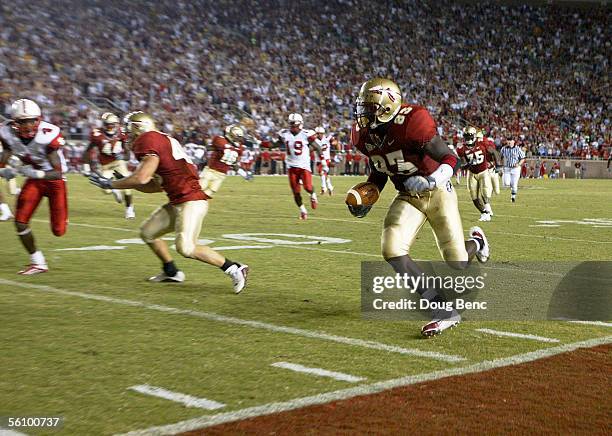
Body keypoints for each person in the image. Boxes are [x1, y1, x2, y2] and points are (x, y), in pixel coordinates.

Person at [350, 78, 490, 337]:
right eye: (363, 107)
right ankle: (442, 309)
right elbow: (381, 168)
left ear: (387, 106)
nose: (363, 113)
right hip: (407, 195)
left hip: (437, 191)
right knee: (391, 248)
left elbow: (451, 159)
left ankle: (477, 243)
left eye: (369, 107)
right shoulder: (363, 135)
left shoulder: (413, 122)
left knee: (457, 261)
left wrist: (431, 179)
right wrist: (370, 194)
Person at [88, 112, 249, 293]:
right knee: (148, 232)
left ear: (139, 128)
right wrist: (125, 180)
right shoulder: (160, 139)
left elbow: (142, 178)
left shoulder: (148, 139)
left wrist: (111, 183)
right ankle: (171, 271)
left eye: (129, 129)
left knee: (186, 247)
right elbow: (153, 185)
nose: (127, 135)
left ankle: (234, 268)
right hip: (180, 199)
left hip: (192, 200)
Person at [0, 99, 68, 274]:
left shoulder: (48, 133)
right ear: (14, 122)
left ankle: (62, 218)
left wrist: (37, 174)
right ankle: (38, 262)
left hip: (53, 181)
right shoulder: (6, 132)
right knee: (20, 222)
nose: (29, 125)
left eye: (32, 120)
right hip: (34, 180)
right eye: (23, 121)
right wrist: (3, 170)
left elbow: (58, 173)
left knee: (59, 231)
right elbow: (7, 152)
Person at [83, 112, 135, 219]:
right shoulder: (97, 134)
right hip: (105, 165)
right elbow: (88, 151)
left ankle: (129, 209)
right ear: (103, 124)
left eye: (112, 125)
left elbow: (128, 154)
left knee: (127, 186)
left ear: (116, 124)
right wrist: (86, 166)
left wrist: (123, 157)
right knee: (106, 190)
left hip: (118, 163)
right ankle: (115, 189)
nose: (110, 127)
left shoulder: (121, 133)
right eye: (108, 124)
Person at [278, 113, 319, 220]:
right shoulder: (285, 134)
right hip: (291, 167)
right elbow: (274, 144)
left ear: (300, 124)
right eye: (291, 124)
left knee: (308, 187)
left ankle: (313, 195)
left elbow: (317, 147)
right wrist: (262, 143)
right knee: (296, 192)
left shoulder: (306, 134)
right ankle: (303, 210)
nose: (292, 127)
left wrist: (322, 160)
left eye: (294, 125)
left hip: (304, 166)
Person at [458, 126, 501, 221]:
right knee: (474, 197)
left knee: (485, 193)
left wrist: (498, 165)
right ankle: (484, 213)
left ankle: (488, 210)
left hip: (483, 171)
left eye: (469, 136)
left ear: (474, 136)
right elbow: (463, 163)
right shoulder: (461, 148)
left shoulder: (482, 143)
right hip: (472, 173)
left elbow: (494, 152)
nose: (467, 139)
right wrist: (467, 164)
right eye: (466, 136)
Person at [199, 124, 251, 198]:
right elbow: (210, 148)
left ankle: (198, 203)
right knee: (200, 187)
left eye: (240, 137)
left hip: (221, 174)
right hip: (210, 170)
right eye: (238, 137)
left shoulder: (239, 148)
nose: (239, 139)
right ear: (232, 135)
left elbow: (234, 163)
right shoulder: (220, 140)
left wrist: (244, 174)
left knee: (211, 191)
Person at [313, 126, 334, 195]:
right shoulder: (314, 140)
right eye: (318, 133)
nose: (319, 135)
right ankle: (330, 187)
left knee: (322, 173)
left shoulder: (326, 138)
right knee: (324, 174)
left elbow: (335, 142)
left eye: (320, 133)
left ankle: (323, 187)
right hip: (318, 159)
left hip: (326, 159)